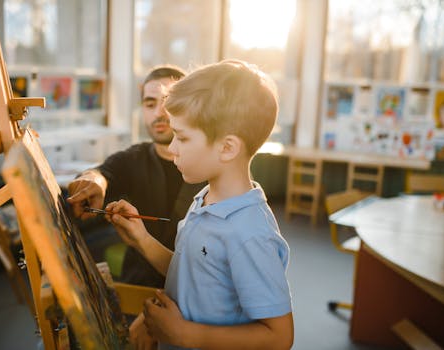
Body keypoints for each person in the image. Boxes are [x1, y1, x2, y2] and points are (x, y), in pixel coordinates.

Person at [105, 60, 294, 349]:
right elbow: (191, 272)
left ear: (227, 148)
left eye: (182, 137)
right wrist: (141, 239)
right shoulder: (204, 198)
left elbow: (279, 336)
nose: (172, 147)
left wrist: (185, 335)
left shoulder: (250, 233)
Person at [67, 65, 205, 288]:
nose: (159, 113)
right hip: (139, 286)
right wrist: (94, 179)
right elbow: (104, 172)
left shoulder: (210, 166)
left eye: (168, 102)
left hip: (196, 293)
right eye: (150, 104)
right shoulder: (135, 158)